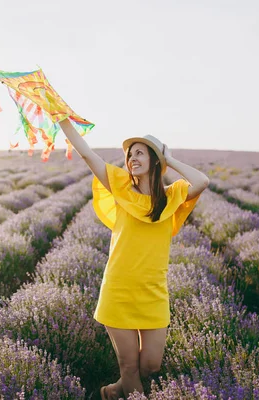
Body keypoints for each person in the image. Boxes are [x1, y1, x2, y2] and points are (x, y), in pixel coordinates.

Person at [58, 118, 210, 399]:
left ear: (155, 160)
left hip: (153, 290)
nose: (132, 158)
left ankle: (112, 392)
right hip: (119, 288)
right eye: (130, 154)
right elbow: (87, 154)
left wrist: (171, 159)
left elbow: (202, 181)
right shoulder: (120, 188)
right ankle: (124, 389)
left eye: (140, 152)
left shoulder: (172, 195)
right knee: (129, 366)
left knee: (151, 365)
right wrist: (63, 121)